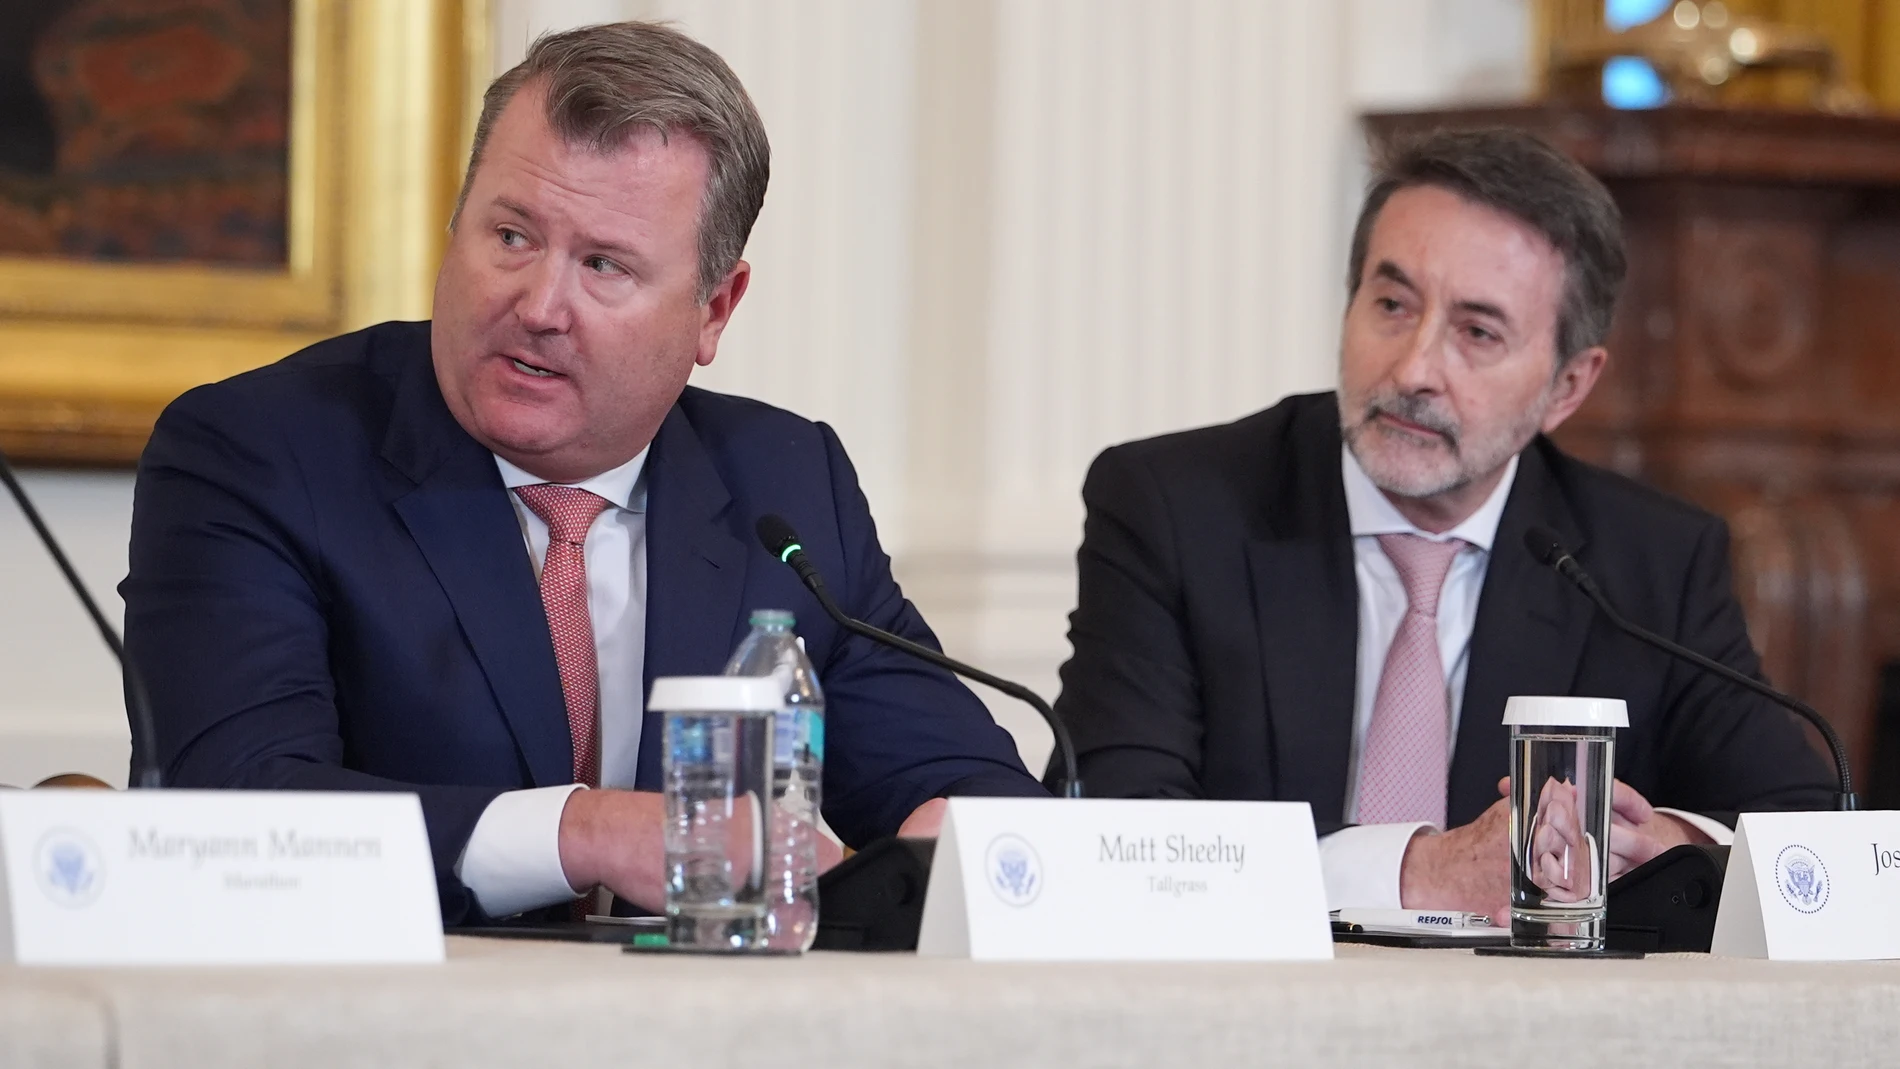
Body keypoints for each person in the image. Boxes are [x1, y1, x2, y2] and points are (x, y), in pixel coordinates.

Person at [121, 21, 1043, 926]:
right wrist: (587, 829)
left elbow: (966, 792)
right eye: (512, 236)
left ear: (714, 308)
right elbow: (231, 811)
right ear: (455, 223)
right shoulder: (261, 451)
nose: (537, 306)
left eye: (603, 264)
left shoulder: (787, 487)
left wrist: (962, 850)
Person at [1050, 128, 1835, 920]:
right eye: (1391, 305)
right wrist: (1411, 871)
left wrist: (1668, 847)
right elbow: (1115, 830)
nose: (1414, 369)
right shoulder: (1175, 508)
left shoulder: (1650, 564)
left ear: (1568, 386)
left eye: (1477, 332)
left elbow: (1815, 838)